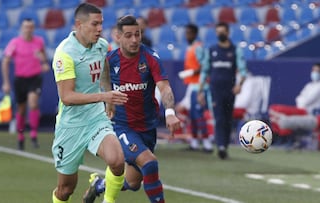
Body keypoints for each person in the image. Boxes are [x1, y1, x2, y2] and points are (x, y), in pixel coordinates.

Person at [83, 15, 180, 203]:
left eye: (137, 34)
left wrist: (170, 113)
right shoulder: (110, 60)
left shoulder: (150, 57)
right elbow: (102, 77)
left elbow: (164, 87)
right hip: (121, 126)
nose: (134, 40)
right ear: (118, 37)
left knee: (133, 183)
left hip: (147, 127)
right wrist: (108, 98)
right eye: (128, 35)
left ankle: (99, 185)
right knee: (150, 163)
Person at [50, 3, 128, 203]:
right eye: (95, 24)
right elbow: (67, 97)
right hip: (71, 126)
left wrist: (107, 96)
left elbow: (104, 69)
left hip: (95, 117)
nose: (100, 28)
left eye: (101, 23)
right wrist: (104, 97)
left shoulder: (102, 45)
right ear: (79, 24)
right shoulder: (65, 53)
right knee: (66, 189)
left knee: (117, 161)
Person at [198, 22, 247, 159]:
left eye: (222, 32)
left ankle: (225, 145)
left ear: (228, 32)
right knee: (219, 117)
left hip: (229, 90)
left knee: (228, 118)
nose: (220, 34)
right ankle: (220, 146)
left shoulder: (235, 50)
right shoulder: (212, 50)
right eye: (218, 32)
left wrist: (239, 85)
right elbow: (205, 71)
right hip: (215, 90)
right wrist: (201, 91)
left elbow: (243, 70)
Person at [1, 18, 50, 150]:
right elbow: (5, 61)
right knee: (21, 109)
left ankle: (33, 134)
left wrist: (44, 63)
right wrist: (5, 82)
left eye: (30, 27)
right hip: (20, 79)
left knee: (33, 104)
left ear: (33, 28)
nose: (28, 29)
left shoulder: (39, 42)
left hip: (35, 78)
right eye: (26, 27)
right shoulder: (15, 43)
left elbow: (44, 58)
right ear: (22, 28)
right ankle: (21, 136)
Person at [177, 23, 213, 153]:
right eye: (186, 33)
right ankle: (194, 142)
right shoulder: (190, 48)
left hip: (199, 86)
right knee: (191, 115)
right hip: (192, 85)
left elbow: (204, 66)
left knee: (198, 115)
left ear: (194, 34)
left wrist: (191, 73)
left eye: (189, 33)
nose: (187, 36)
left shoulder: (198, 48)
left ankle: (207, 142)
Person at [269, 63, 320, 136]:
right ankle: (279, 133)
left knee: (276, 110)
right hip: (300, 108)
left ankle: (284, 135)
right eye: (313, 70)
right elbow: (298, 98)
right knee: (273, 109)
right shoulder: (309, 85)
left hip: (308, 111)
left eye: (317, 71)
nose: (315, 73)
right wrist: (302, 101)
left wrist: (302, 101)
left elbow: (307, 100)